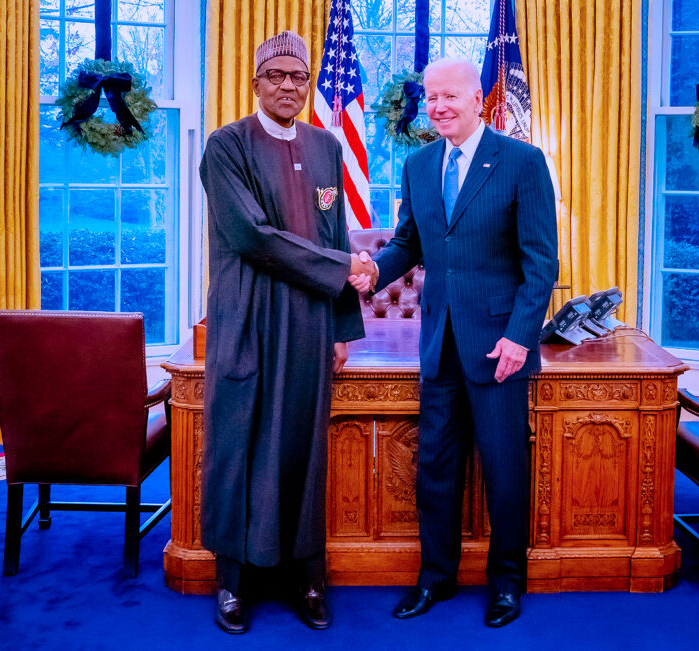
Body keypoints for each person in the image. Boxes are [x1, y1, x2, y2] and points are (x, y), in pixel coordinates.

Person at [352, 58, 558, 627]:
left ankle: (508, 584)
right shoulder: (418, 165)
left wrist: (520, 337)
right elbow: (409, 243)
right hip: (438, 343)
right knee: (435, 469)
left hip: (500, 349)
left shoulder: (522, 162)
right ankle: (435, 578)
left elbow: (541, 262)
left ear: (478, 99)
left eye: (450, 96)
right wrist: (373, 270)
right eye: (431, 96)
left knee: (503, 468)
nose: (439, 106)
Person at [199, 31, 375, 634]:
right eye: (275, 75)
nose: (288, 86)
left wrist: (343, 327)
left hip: (308, 323)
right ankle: (232, 581)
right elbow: (252, 236)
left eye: (298, 77)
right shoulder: (225, 147)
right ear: (255, 81)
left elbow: (335, 234)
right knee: (238, 443)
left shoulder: (327, 146)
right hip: (246, 318)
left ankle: (307, 576)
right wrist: (340, 269)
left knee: (304, 446)